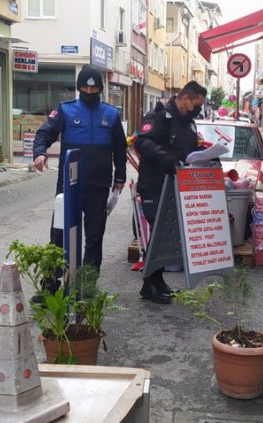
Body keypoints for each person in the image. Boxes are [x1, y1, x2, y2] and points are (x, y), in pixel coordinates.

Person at [32, 65, 127, 279]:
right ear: (79, 88)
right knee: (59, 234)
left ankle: (88, 283)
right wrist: (39, 153)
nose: (90, 93)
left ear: (101, 89)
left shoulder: (111, 114)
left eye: (94, 90)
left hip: (99, 186)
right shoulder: (66, 110)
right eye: (85, 88)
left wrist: (120, 176)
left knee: (94, 237)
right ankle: (53, 282)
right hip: (69, 184)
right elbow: (44, 133)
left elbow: (120, 148)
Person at [134, 80, 208, 304]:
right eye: (196, 104)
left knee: (167, 236)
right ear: (185, 98)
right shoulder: (159, 117)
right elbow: (142, 143)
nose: (197, 109)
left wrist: (206, 154)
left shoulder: (188, 123)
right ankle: (149, 285)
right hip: (155, 186)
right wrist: (170, 160)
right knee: (158, 236)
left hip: (176, 188)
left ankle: (158, 282)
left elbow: (190, 150)